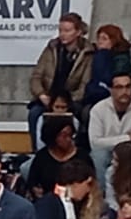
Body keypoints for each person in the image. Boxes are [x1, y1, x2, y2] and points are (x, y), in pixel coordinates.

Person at [28, 14, 93, 146]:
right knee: (34, 114)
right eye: (60, 30)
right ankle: (37, 152)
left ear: (78, 32)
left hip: (73, 100)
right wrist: (41, 95)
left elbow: (85, 84)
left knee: (81, 115)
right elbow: (36, 77)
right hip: (48, 98)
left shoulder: (88, 53)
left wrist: (67, 101)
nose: (62, 34)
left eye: (67, 31)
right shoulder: (51, 48)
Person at [88, 73, 131, 200]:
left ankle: (130, 197)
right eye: (119, 87)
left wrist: (118, 146)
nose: (124, 91)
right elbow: (95, 143)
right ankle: (100, 199)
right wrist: (126, 138)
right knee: (98, 155)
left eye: (128, 87)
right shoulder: (98, 109)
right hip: (107, 153)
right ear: (111, 90)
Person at [86, 24, 131, 109]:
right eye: (98, 38)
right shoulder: (96, 55)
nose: (100, 42)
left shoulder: (120, 58)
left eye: (104, 39)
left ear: (114, 40)